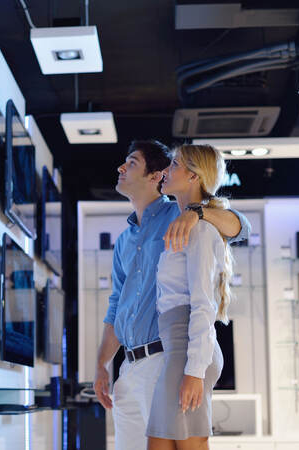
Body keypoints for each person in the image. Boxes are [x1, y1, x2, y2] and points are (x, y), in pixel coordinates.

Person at [93, 140, 250, 450]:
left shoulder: (179, 215)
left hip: (165, 357)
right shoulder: (124, 241)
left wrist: (198, 214)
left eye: (131, 163)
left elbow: (240, 227)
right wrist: (102, 365)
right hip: (128, 366)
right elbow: (116, 306)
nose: (120, 168)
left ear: (156, 176)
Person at [146, 144, 235, 449]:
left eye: (174, 164)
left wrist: (194, 371)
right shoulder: (185, 222)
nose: (166, 170)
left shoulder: (200, 230)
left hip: (188, 353)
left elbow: (202, 304)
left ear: (194, 177)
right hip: (179, 350)